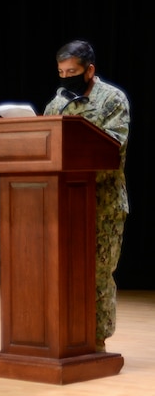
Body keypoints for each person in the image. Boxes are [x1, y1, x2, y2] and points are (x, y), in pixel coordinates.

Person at [43, 39, 130, 352]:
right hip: (62, 204)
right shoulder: (58, 102)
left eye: (72, 71)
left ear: (89, 70)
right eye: (61, 72)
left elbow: (113, 152)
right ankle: (65, 335)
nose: (66, 77)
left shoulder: (112, 99)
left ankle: (97, 339)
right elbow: (45, 147)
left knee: (98, 275)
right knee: (61, 273)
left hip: (102, 205)